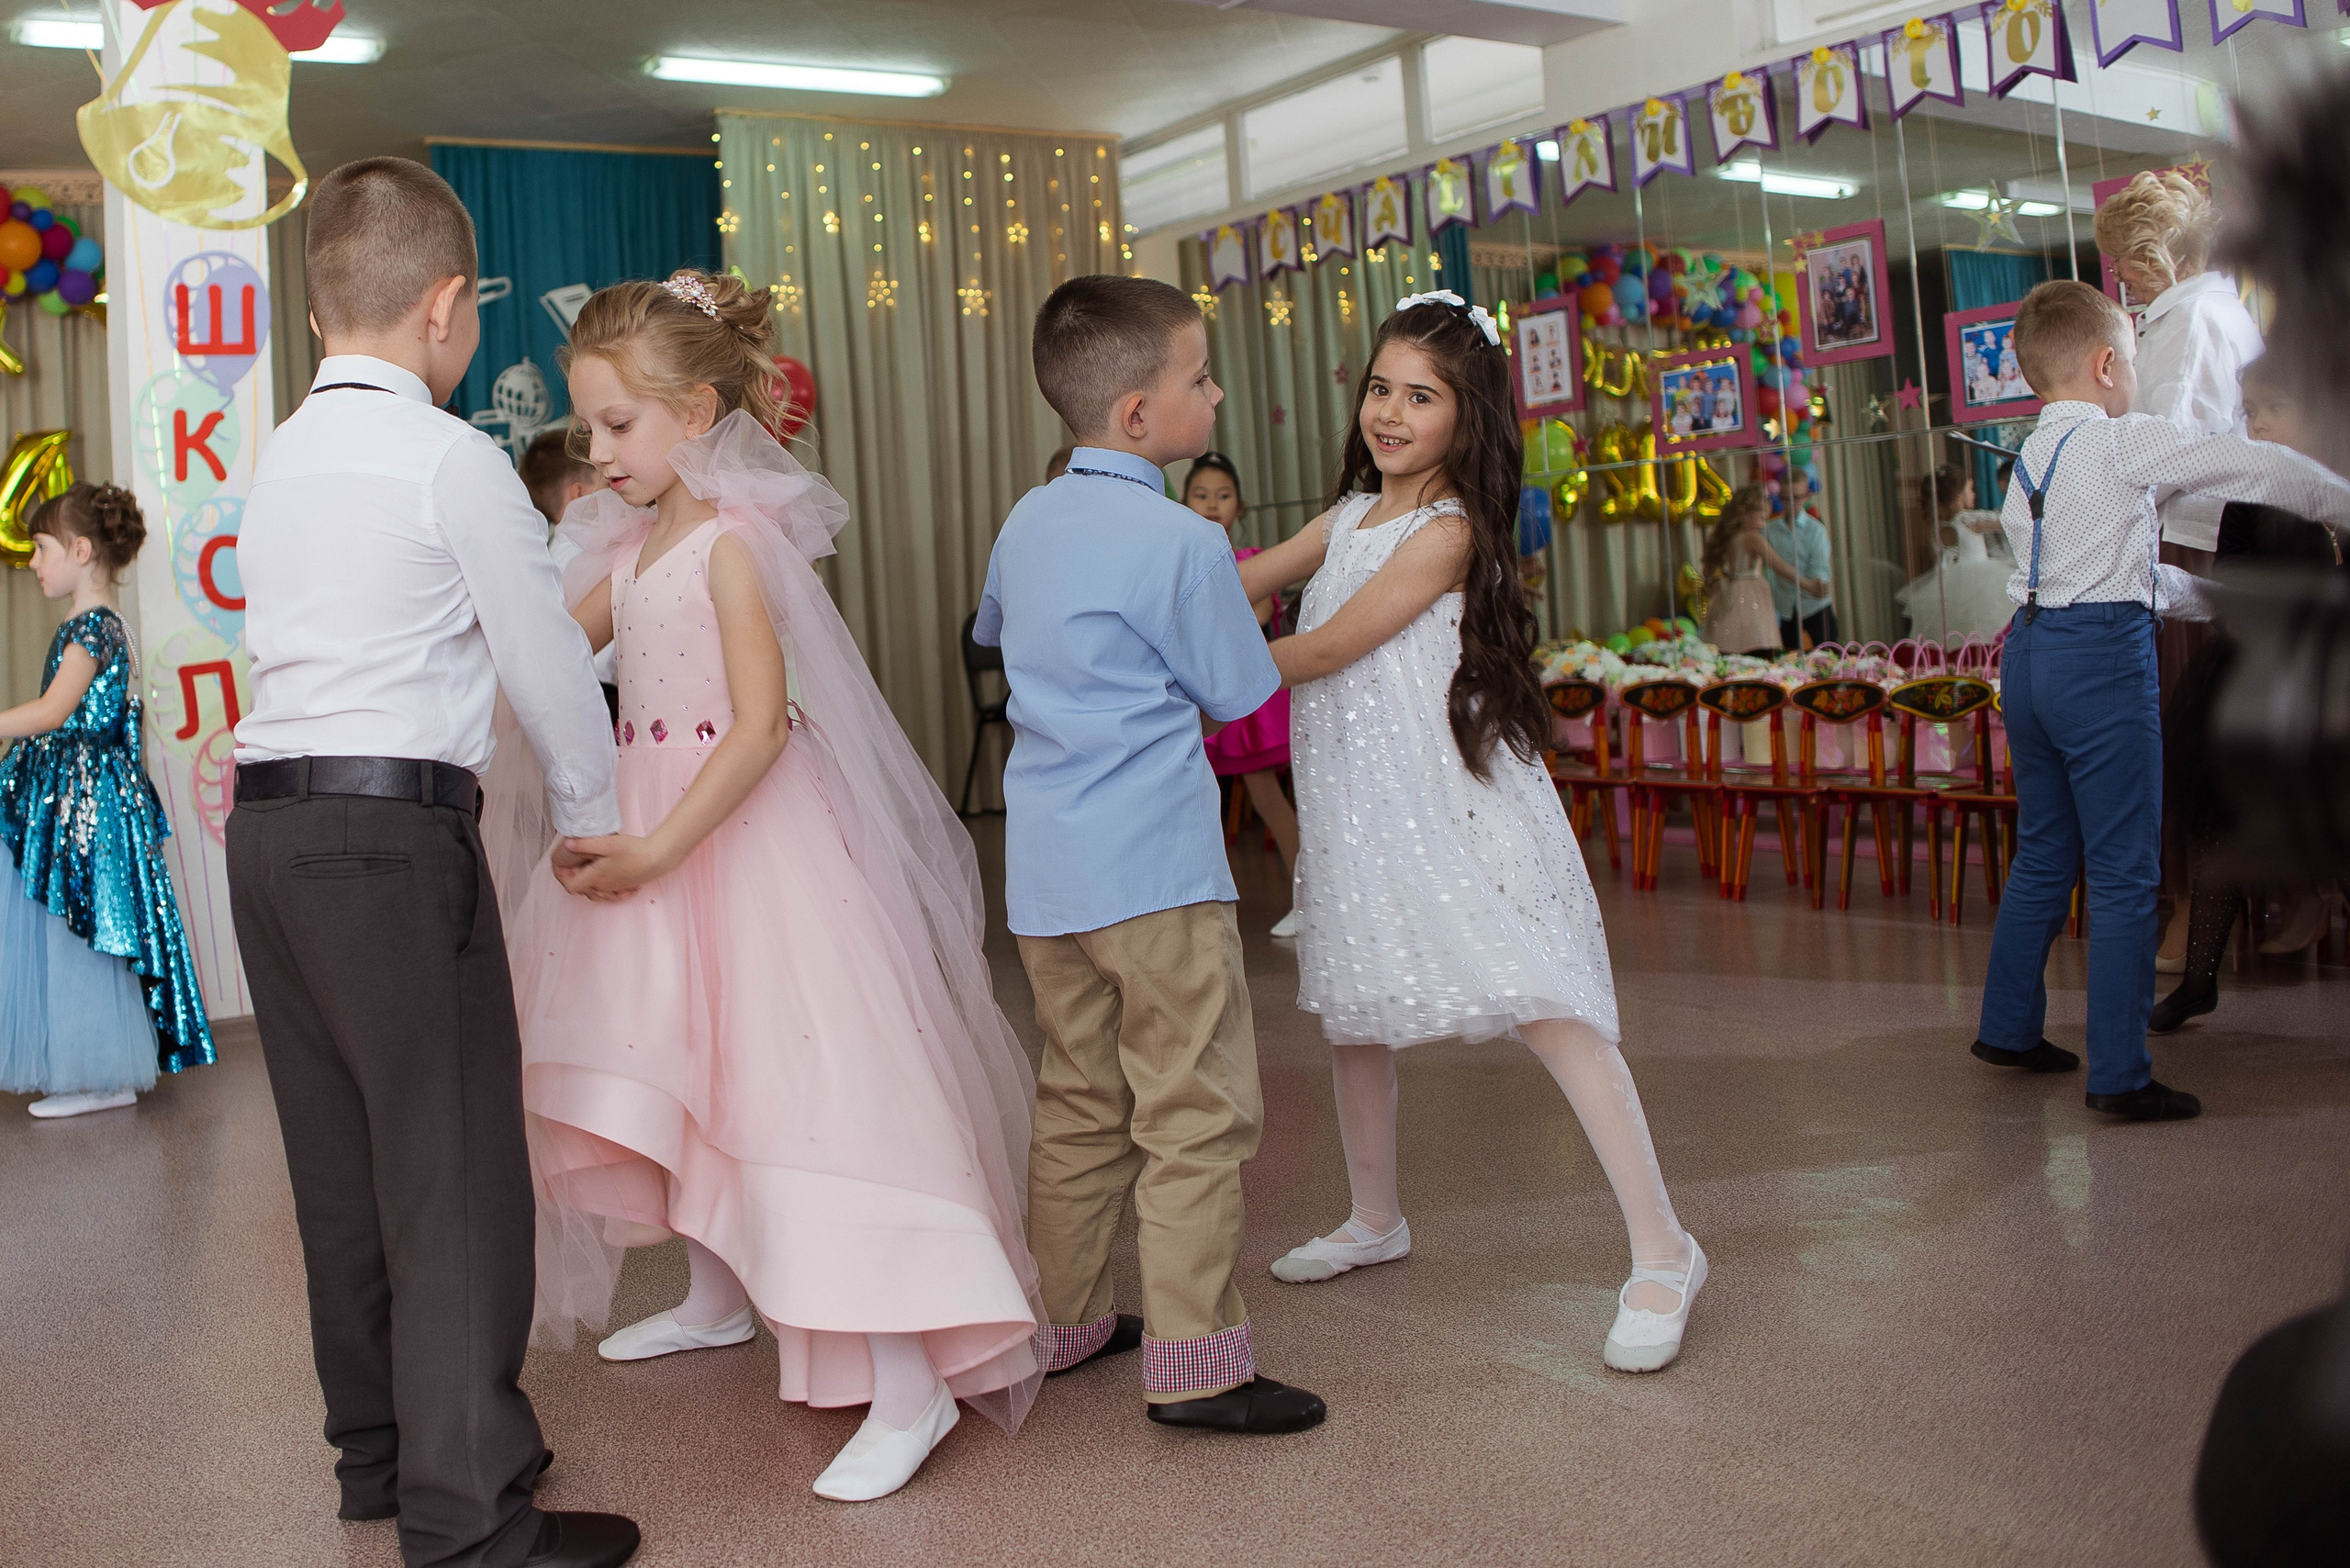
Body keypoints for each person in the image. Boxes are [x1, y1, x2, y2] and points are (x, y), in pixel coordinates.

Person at [491, 273, 1046, 1505]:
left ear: (698, 411)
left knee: (807, 1087)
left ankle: (911, 1377)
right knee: (695, 1064)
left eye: (618, 428)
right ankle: (716, 1292)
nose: (599, 454)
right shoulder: (638, 546)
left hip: (736, 843)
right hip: (662, 840)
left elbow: (755, 730)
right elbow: (539, 653)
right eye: (587, 431)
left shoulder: (735, 547)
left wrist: (653, 850)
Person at [228, 159, 637, 1568]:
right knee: (453, 1171)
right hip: (390, 844)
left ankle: (383, 1466)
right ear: (450, 306)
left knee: (338, 1167)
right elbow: (542, 666)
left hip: (268, 836)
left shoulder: (277, 453)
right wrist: (595, 817)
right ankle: (472, 1525)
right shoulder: (449, 456)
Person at [1237, 292, 1703, 1374]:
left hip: (1451, 800)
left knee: (1548, 1004)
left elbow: (1320, 649)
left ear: (1465, 417)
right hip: (1357, 809)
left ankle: (1665, 1249)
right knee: (1353, 1010)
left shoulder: (1442, 531)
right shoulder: (1345, 515)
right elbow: (1242, 579)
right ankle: (1374, 1217)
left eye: (1421, 397)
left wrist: (1184, 672)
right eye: (1380, 389)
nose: (1390, 414)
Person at [974, 274, 1326, 1435]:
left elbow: (994, 633)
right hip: (1155, 874)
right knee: (1193, 1106)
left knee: (1079, 1095)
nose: (1214, 393)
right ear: (1138, 416)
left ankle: (1065, 1320)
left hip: (1047, 875)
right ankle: (1198, 1362)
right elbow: (1237, 690)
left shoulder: (1026, 520)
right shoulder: (1180, 538)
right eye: (1199, 376)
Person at [1963, 281, 2350, 1125]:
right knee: (2126, 871)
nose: (2136, 375)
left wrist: (2230, 600)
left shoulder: (2029, 461)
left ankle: (2009, 1029)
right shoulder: (2124, 441)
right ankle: (2121, 1074)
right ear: (2107, 365)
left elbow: (2119, 577)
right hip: (2100, 665)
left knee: (2043, 854)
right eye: (2133, 360)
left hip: (2029, 658)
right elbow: (2258, 465)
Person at [2095, 170, 2266, 975]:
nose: (2118, 275)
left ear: (2156, 251)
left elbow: (2172, 443)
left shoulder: (2193, 319)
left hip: (2190, 539)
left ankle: (2197, 912)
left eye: (2123, 259)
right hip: (2195, 533)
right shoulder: (2196, 314)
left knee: (2184, 736)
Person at [1, 483, 213, 1119]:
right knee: (79, 924)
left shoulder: (91, 628)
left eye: (42, 548)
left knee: (77, 928)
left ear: (82, 549)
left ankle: (95, 1074)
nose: (34, 563)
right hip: (84, 791)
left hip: (83, 799)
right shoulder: (101, 623)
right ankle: (92, 1070)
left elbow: (54, 711)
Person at [2151, 356, 2345, 1034]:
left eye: (2272, 408)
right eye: (2250, 410)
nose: (2256, 423)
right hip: (2255, 675)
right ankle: (2200, 977)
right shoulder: (2250, 492)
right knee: (2219, 826)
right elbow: (2229, 581)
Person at [1182, 451, 1300, 938]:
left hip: (1245, 705)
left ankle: (1308, 895)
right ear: (1183, 503)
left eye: (1223, 496)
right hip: (1198, 698)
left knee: (1267, 795)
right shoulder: (1180, 563)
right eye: (1201, 495)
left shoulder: (1252, 563)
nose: (1212, 505)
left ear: (1241, 507)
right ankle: (1190, 909)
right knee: (1191, 801)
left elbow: (1249, 624)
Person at [1895, 465, 2012, 644]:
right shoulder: (1968, 519)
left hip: (1947, 584)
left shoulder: (1937, 526)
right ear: (1959, 494)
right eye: (1970, 489)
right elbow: (2010, 523)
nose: (1973, 494)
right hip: (1980, 581)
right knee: (1983, 630)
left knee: (1954, 636)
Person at [1698, 485, 1791, 656]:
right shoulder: (1753, 538)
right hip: (1752, 594)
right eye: (1761, 517)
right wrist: (1807, 584)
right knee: (1756, 643)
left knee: (1729, 646)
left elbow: (1708, 572)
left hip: (1728, 592)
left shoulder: (1726, 538)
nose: (1764, 523)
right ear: (1744, 515)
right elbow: (1780, 566)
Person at [1765, 493, 1839, 649]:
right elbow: (1774, 567)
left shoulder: (1816, 529)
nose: (1791, 502)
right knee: (1788, 658)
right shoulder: (1770, 530)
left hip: (1815, 604)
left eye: (1796, 497)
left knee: (1829, 655)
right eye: (1786, 497)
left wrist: (1818, 583)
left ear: (1806, 497)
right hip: (1785, 605)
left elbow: (1820, 564)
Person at [519, 428, 598, 532]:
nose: (617, 492)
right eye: (607, 484)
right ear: (579, 494)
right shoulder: (594, 546)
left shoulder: (556, 545)